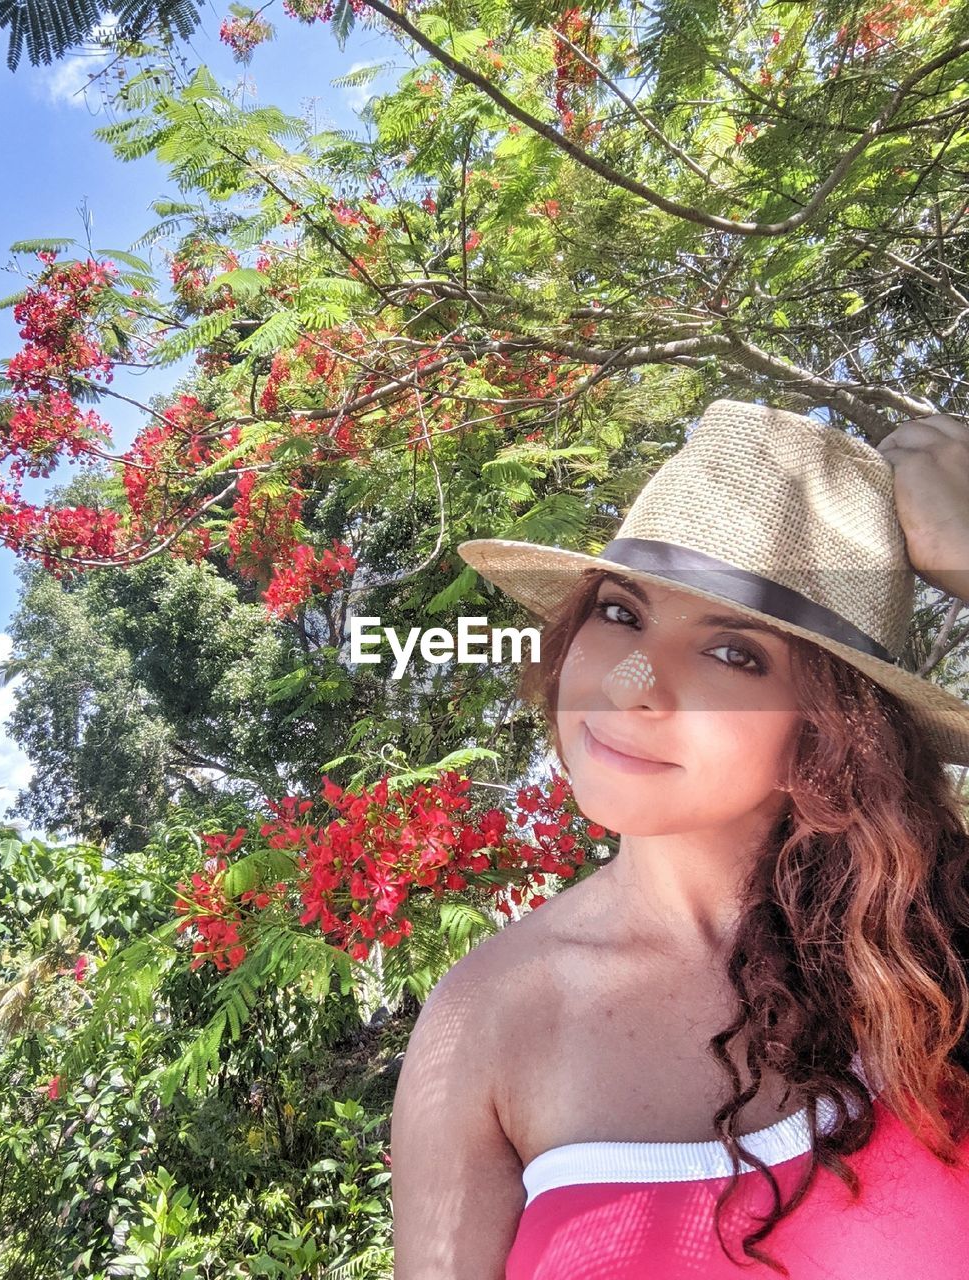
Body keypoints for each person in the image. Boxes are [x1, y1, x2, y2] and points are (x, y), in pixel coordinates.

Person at [389, 398, 969, 1278]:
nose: (630, 689)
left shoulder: (939, 957)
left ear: (829, 732)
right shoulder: (484, 1022)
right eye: (621, 614)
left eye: (734, 654)